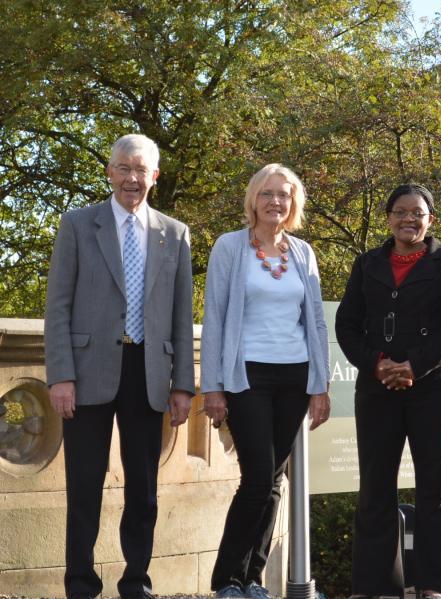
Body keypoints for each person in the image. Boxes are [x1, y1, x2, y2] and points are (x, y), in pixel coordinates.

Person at [44, 134, 195, 599]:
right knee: (84, 486)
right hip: (88, 372)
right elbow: (59, 306)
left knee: (144, 490)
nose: (132, 179)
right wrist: (61, 375)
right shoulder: (77, 224)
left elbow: (180, 315)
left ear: (155, 176)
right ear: (110, 172)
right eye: (123, 168)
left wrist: (182, 384)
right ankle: (81, 585)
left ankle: (136, 582)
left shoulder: (175, 233)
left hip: (148, 371)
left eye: (141, 170)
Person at [335, 183, 441, 599]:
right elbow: (347, 324)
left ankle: (432, 585)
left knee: (436, 485)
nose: (408, 219)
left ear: (431, 218)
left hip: (434, 386)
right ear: (388, 217)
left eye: (417, 212)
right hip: (377, 387)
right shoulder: (367, 264)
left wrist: (414, 364)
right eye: (400, 211)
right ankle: (377, 585)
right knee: (375, 485)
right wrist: (378, 364)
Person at [201, 163, 331, 599]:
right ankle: (226, 580)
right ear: (253, 200)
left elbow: (313, 318)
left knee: (275, 481)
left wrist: (319, 383)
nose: (275, 201)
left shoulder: (302, 253)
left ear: (293, 204)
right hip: (247, 375)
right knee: (257, 478)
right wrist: (213, 386)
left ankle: (252, 578)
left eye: (284, 194)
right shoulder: (230, 247)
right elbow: (215, 317)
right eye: (267, 193)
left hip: (294, 375)